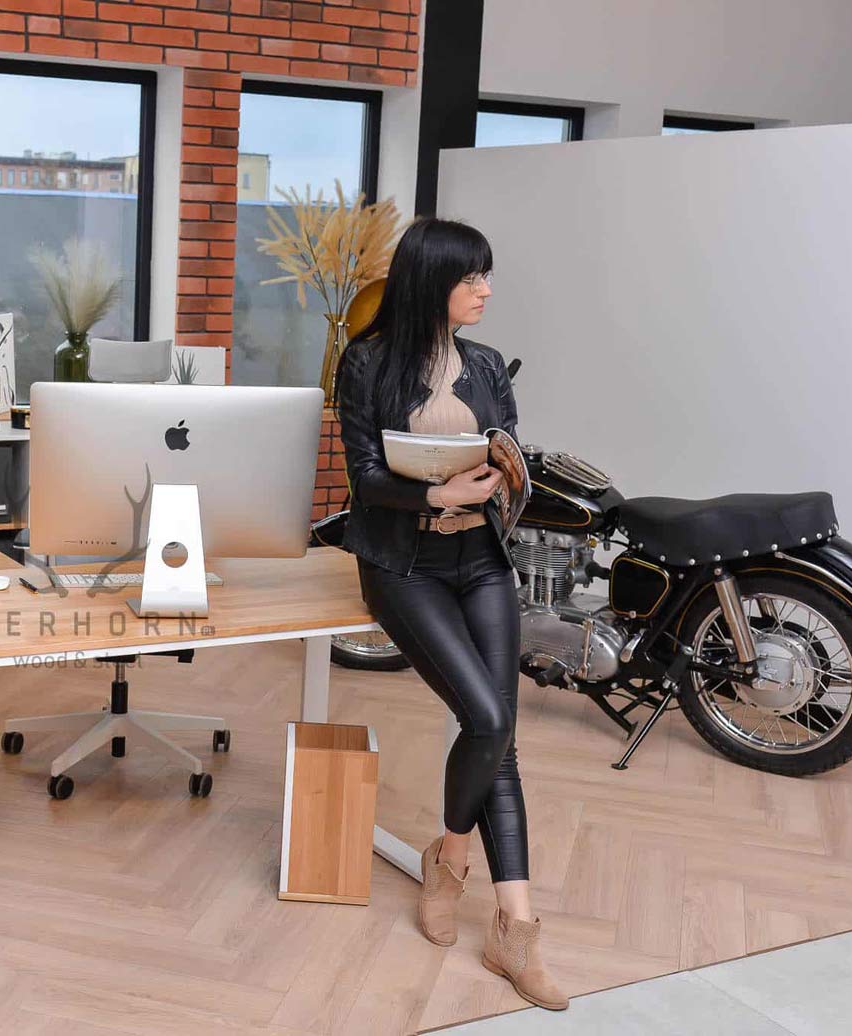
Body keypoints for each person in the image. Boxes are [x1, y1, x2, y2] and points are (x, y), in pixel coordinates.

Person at [334, 218, 567, 1011]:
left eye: (487, 278)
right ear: (432, 279)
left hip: (480, 561)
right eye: (473, 279)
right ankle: (451, 866)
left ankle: (513, 925)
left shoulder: (489, 366)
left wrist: (505, 478)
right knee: (488, 719)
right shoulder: (366, 361)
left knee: (498, 730)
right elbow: (364, 477)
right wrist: (435, 491)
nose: (486, 291)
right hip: (404, 566)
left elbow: (507, 451)